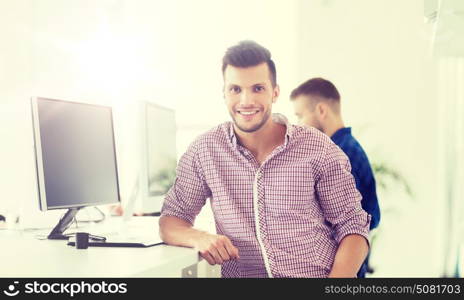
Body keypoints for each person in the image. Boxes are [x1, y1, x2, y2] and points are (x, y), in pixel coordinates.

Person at [159, 41, 371, 278]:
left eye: (258, 88)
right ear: (224, 93)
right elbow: (171, 220)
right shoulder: (204, 151)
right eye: (235, 89)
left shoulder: (317, 147)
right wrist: (199, 237)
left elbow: (353, 227)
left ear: (275, 92)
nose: (246, 101)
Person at [290, 77, 380, 277]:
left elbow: (359, 222)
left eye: (300, 116)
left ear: (321, 111)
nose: (298, 126)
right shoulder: (343, 149)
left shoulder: (340, 155)